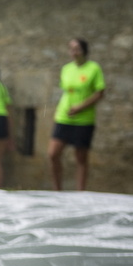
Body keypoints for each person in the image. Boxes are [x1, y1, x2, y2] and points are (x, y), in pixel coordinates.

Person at [48, 38, 105, 190]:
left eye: (77, 48)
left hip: (84, 119)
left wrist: (80, 107)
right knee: (53, 154)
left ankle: (80, 192)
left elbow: (99, 93)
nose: (73, 52)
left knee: (81, 157)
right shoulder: (66, 69)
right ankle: (57, 190)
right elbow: (67, 91)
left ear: (84, 50)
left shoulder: (94, 68)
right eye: (71, 48)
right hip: (64, 116)